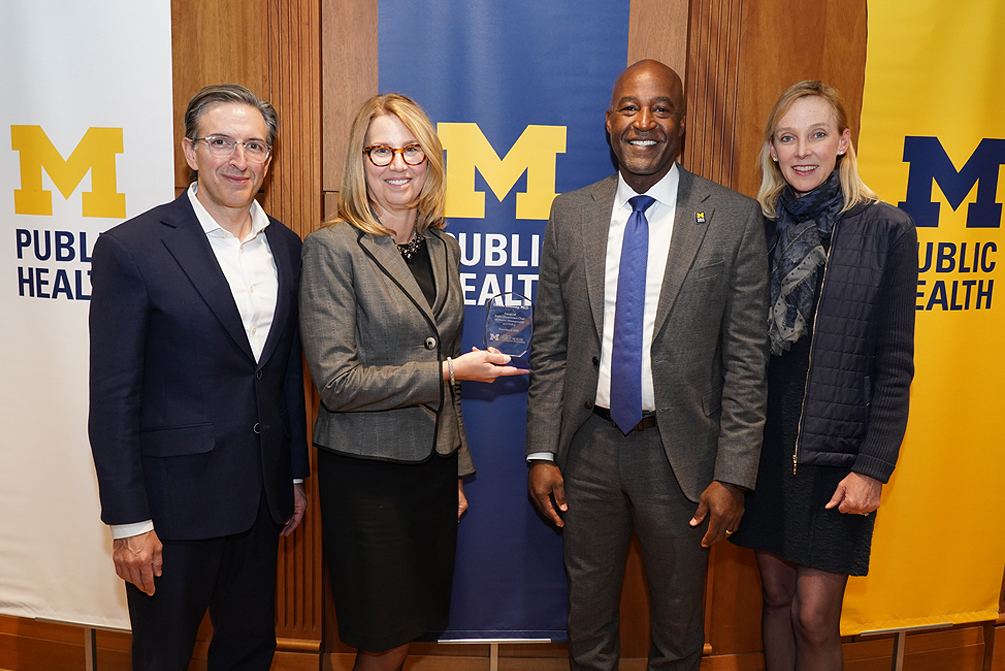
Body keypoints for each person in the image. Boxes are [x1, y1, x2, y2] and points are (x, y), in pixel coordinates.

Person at [526, 59, 770, 671]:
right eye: (631, 108)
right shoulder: (570, 214)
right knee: (588, 629)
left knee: (679, 636)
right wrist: (541, 453)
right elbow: (551, 348)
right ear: (610, 122)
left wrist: (734, 475)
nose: (644, 122)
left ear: (680, 125)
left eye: (660, 108)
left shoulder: (733, 219)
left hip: (681, 459)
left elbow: (746, 361)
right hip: (587, 451)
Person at [299, 93, 526, 671]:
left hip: (431, 470)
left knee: (412, 624)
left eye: (411, 150)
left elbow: (445, 361)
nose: (398, 164)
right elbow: (338, 382)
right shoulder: (332, 248)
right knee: (380, 631)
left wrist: (452, 468)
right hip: (366, 476)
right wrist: (452, 371)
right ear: (360, 160)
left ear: (430, 161)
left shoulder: (444, 247)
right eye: (381, 150)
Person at [88, 84, 309, 670]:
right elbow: (112, 398)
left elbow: (283, 371)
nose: (239, 161)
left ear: (269, 157)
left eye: (254, 146)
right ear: (190, 151)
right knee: (163, 658)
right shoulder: (131, 249)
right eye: (220, 142)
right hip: (171, 511)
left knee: (249, 652)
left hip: (260, 504)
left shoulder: (288, 247)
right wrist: (129, 522)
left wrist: (291, 477)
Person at [728, 80, 917, 671]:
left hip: (835, 460)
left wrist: (872, 469)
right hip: (763, 445)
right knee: (777, 597)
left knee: (814, 615)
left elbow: (895, 367)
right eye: (788, 138)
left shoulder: (886, 230)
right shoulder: (753, 228)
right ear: (773, 151)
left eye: (817, 134)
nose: (803, 151)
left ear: (843, 143)